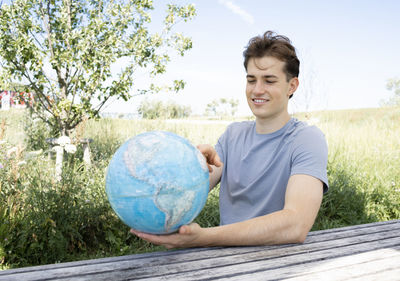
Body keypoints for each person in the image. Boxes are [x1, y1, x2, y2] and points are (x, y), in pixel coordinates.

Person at [130, 31, 329, 249]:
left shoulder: (307, 139)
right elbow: (186, 192)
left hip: (279, 262)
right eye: (251, 80)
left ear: (292, 86)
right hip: (224, 259)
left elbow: (295, 225)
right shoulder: (232, 135)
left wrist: (203, 238)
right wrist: (190, 165)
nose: (257, 90)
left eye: (269, 80)